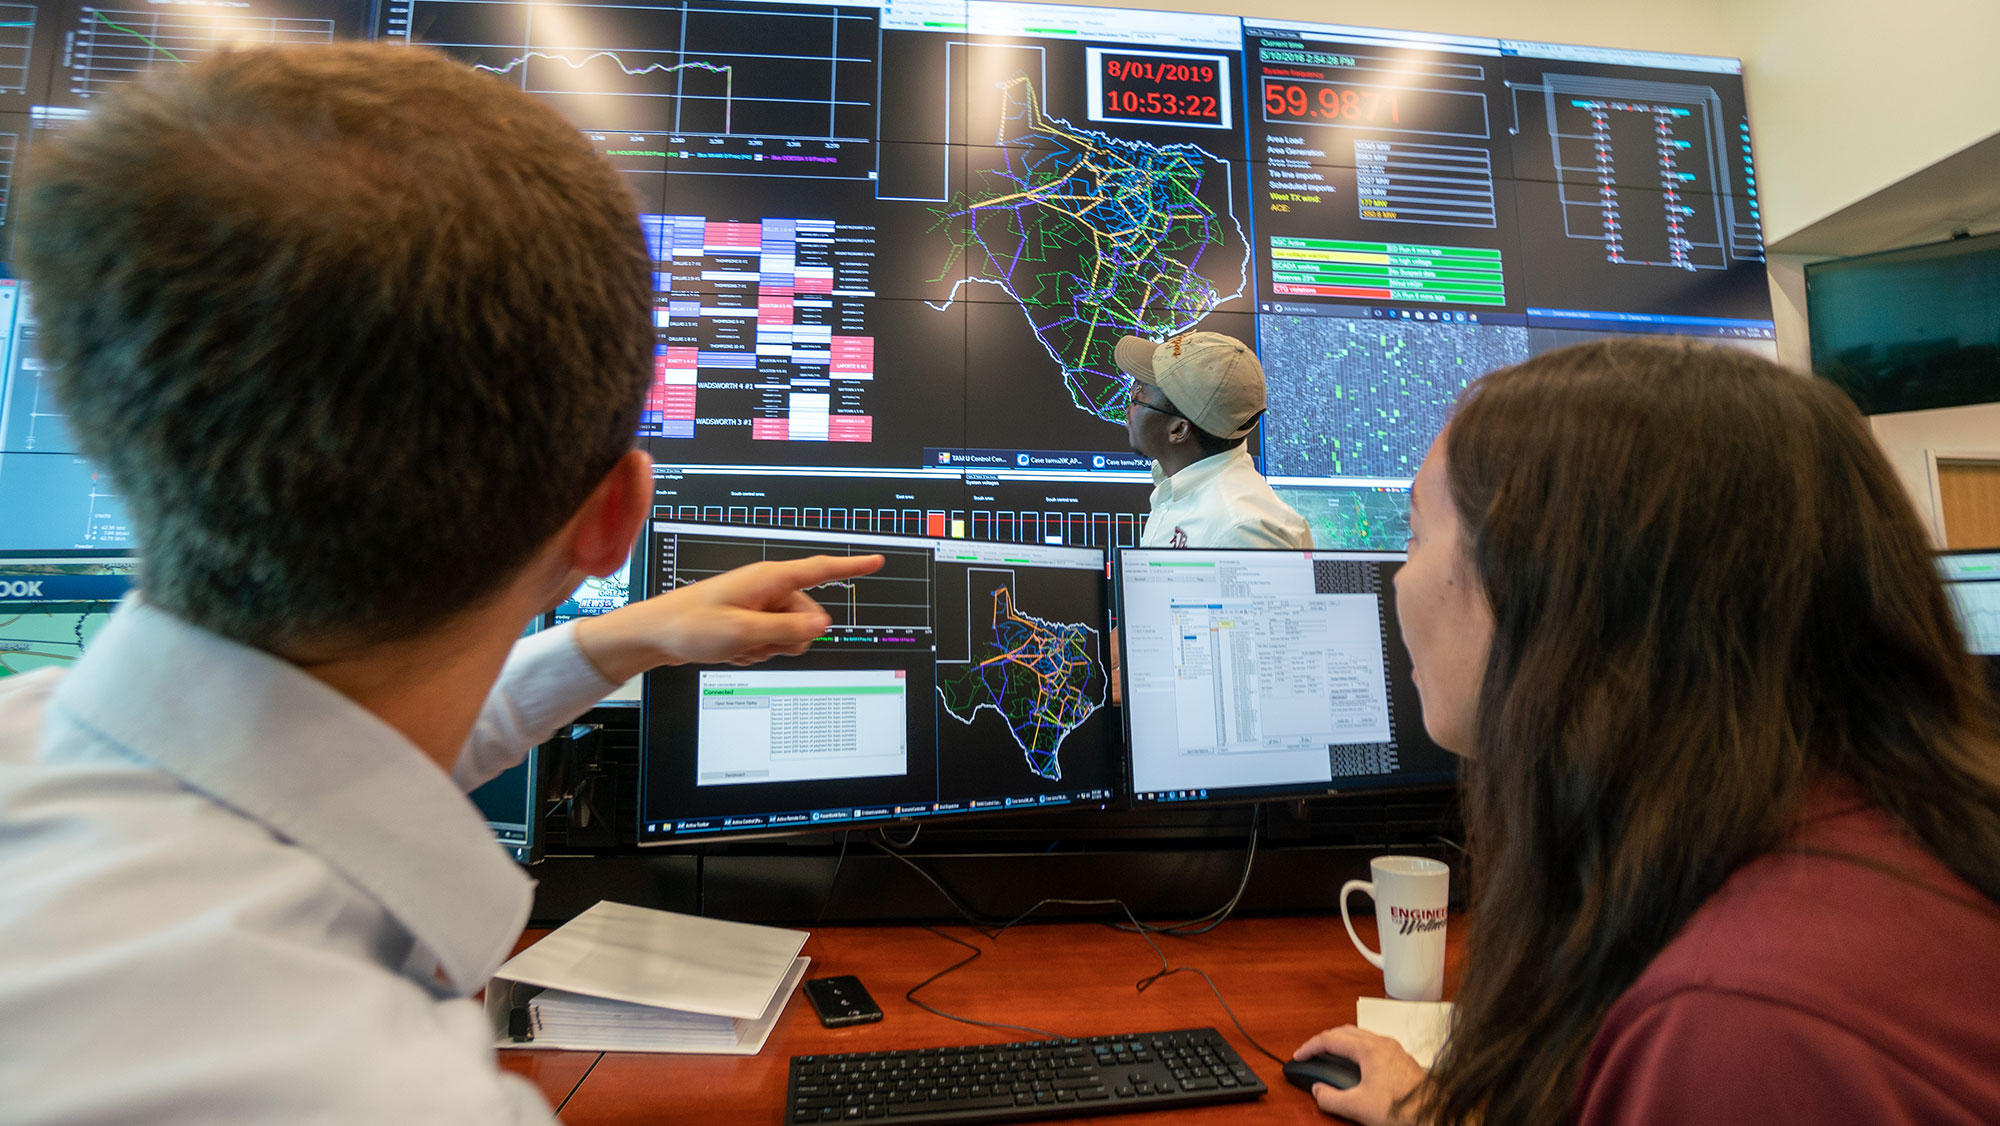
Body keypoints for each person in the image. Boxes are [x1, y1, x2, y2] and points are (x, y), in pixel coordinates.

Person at [0, 44, 880, 1124]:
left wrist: (615, 643)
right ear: (612, 516)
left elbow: (308, 761)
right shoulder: (366, 1094)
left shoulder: (36, 738)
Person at [1294, 339, 2000, 1126]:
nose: (1399, 577)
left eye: (1416, 533)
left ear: (1550, 591)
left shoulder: (1739, 1025)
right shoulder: (1878, 851)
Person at [1115, 330, 1311, 550]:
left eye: (1138, 394)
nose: (1127, 409)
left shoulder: (1243, 530)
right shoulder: (1185, 494)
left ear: (1178, 430)